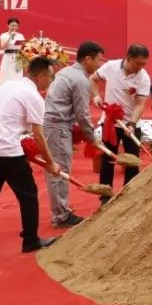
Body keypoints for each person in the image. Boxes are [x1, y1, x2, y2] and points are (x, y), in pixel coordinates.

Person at [0, 56, 59, 261]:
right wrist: (50, 163)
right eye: (51, 77)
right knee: (29, 195)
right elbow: (38, 135)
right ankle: (30, 240)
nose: (51, 81)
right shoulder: (34, 97)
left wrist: (8, 128)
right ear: (39, 76)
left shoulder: (8, 85)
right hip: (8, 152)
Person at [43, 41, 106, 228]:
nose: (99, 65)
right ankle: (61, 216)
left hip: (54, 125)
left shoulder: (65, 72)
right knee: (59, 171)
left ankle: (61, 211)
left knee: (58, 170)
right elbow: (82, 114)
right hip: (58, 127)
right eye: (98, 60)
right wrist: (92, 137)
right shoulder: (80, 80)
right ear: (88, 59)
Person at [90, 44, 151, 200]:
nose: (141, 67)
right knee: (107, 160)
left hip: (131, 124)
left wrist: (132, 123)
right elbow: (92, 79)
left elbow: (140, 104)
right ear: (128, 58)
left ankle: (128, 198)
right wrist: (96, 96)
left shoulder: (143, 77)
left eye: (144, 64)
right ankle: (105, 197)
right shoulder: (111, 67)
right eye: (138, 63)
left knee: (132, 162)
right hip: (110, 123)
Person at [0, 18, 25, 85]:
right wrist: (10, 37)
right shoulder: (3, 35)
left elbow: (23, 46)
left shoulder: (20, 35)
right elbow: (2, 46)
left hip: (18, 57)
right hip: (7, 57)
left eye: (16, 26)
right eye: (12, 25)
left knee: (17, 74)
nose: (14, 27)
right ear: (8, 25)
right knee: (6, 73)